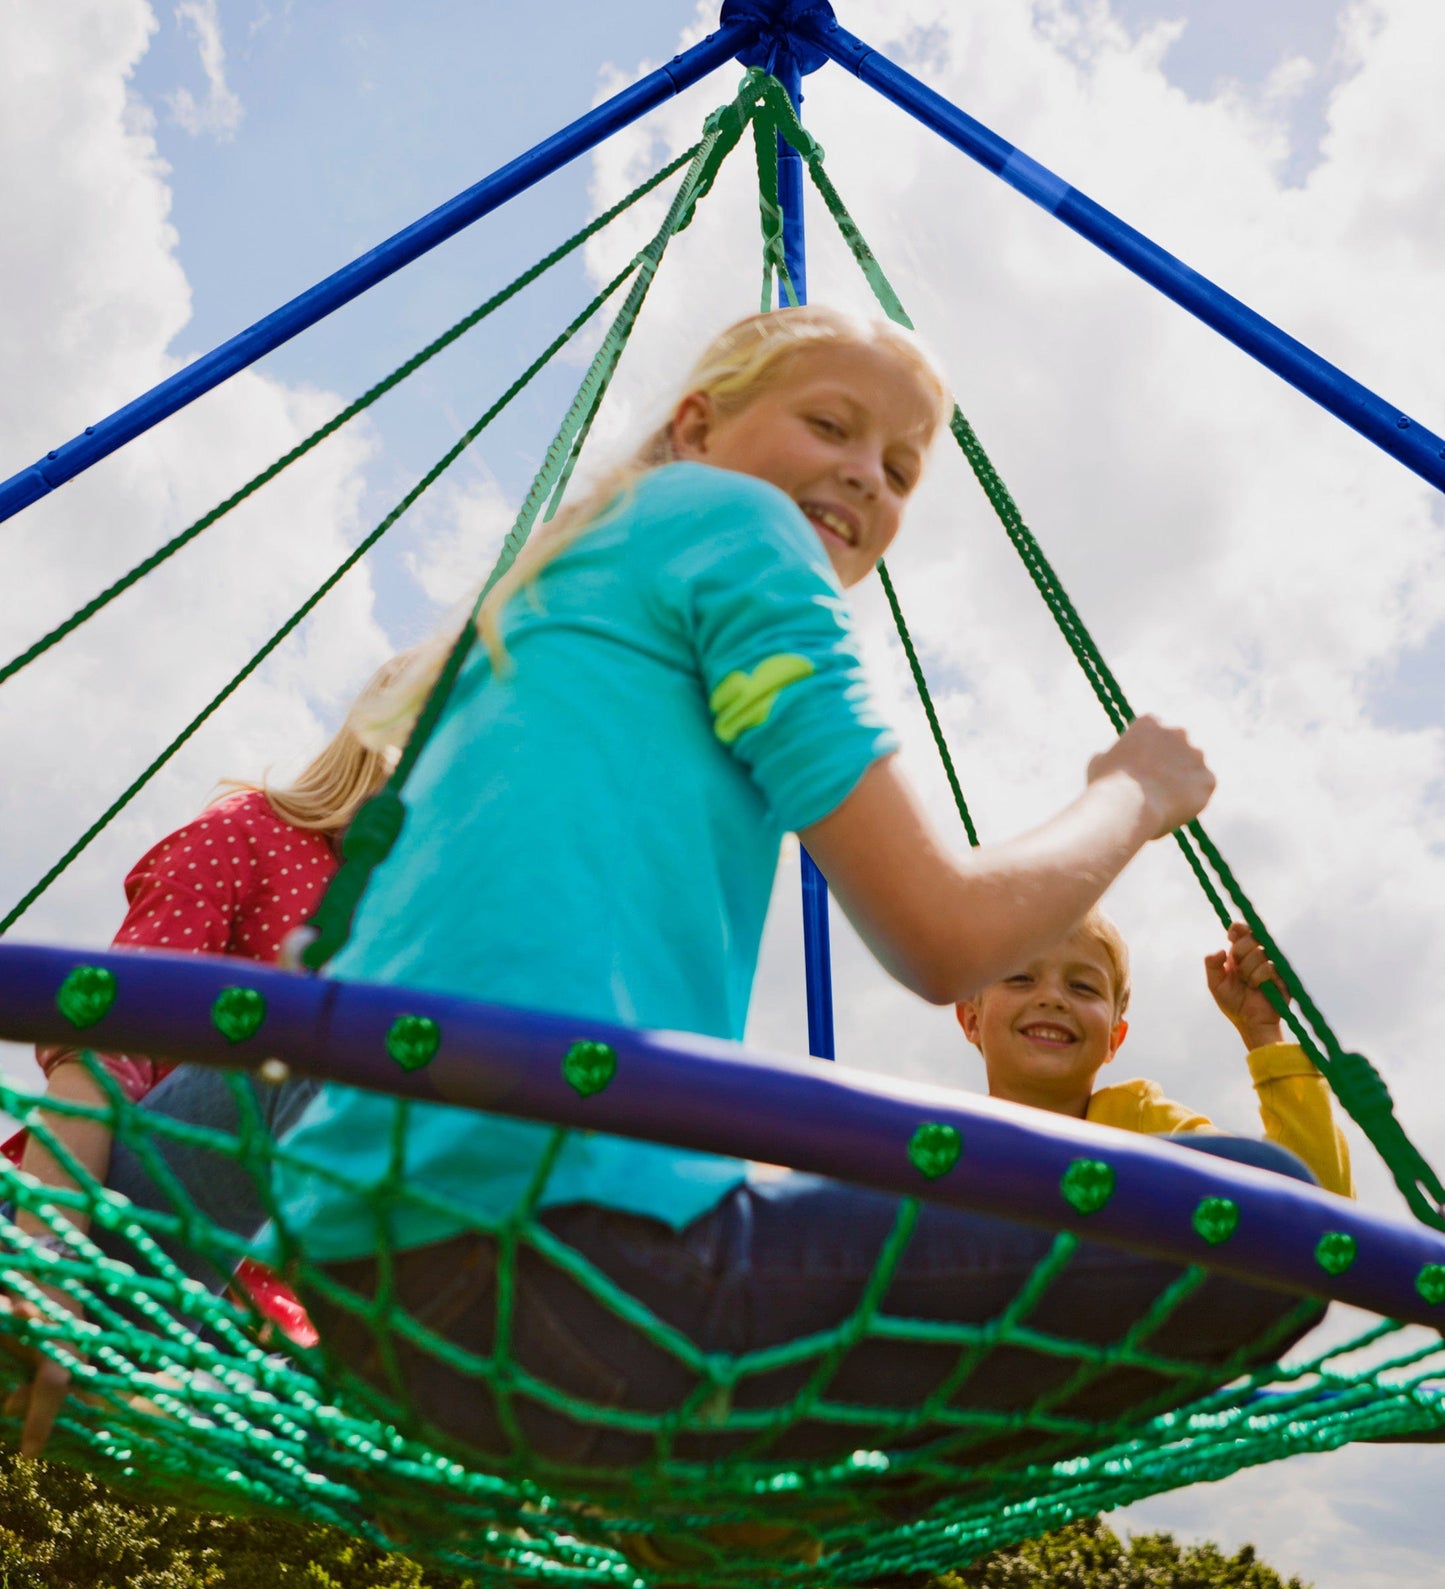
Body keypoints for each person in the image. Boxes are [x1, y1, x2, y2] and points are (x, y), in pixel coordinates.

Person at [17, 306, 1314, 1480]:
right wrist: (1132, 791)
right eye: (830, 422)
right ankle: (842, 1504)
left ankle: (756, 1497)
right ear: (697, 427)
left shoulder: (521, 638)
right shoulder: (730, 525)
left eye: (903, 468)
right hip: (588, 1287)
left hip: (380, 1315)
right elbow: (941, 932)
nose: (867, 471)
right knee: (1263, 1218)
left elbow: (305, 989)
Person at [1, 648, 414, 1454]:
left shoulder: (413, 932)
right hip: (95, 1224)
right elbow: (99, 1051)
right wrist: (42, 1270)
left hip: (221, 1306)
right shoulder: (254, 836)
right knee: (321, 1029)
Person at [954, 911, 1354, 1197]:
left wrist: (1263, 1032)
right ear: (972, 1020)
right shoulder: (947, 1139)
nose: (1053, 998)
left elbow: (1317, 1201)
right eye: (1021, 978)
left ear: (1114, 1039)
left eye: (1083, 987)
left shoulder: (1141, 1124)